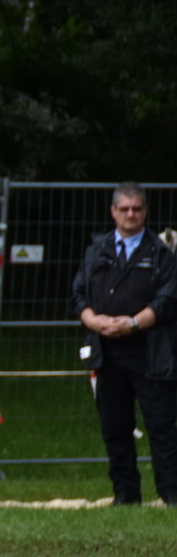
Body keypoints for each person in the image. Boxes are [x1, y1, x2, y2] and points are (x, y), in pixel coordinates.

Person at [70, 183, 177, 505]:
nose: (131, 214)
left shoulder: (162, 253)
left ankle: (171, 495)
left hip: (151, 354)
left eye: (138, 209)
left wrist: (133, 323)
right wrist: (92, 320)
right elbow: (78, 294)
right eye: (125, 209)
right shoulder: (96, 251)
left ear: (145, 212)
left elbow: (169, 299)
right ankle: (125, 495)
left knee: (162, 428)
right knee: (115, 428)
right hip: (107, 354)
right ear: (113, 211)